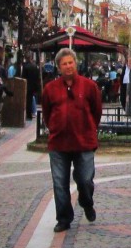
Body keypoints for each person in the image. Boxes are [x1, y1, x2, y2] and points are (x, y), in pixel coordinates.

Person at [42, 48, 103, 233]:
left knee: (85, 179)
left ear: (75, 64)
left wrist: (90, 127)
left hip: (83, 140)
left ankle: (87, 203)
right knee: (59, 182)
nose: (68, 67)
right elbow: (46, 113)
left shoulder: (89, 86)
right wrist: (54, 127)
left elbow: (96, 111)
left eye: (71, 63)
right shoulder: (50, 89)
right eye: (64, 64)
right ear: (59, 67)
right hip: (59, 142)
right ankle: (63, 218)